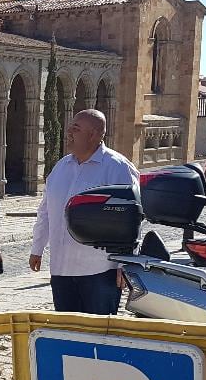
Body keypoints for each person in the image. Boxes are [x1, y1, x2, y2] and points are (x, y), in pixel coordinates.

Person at [30, 109, 138, 314]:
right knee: (69, 334)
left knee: (98, 336)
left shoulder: (117, 168)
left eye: (76, 128)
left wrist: (125, 263)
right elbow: (45, 210)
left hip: (98, 271)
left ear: (95, 135)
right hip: (61, 268)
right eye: (70, 127)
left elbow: (130, 219)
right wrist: (37, 248)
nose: (68, 132)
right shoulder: (60, 167)